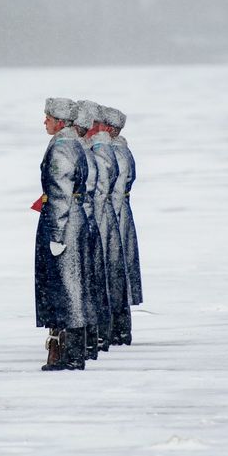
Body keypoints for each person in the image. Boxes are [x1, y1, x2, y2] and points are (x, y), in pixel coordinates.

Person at [34, 98, 95, 371]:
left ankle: (71, 355)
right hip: (76, 219)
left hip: (65, 223)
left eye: (48, 117)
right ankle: (73, 351)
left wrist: (57, 235)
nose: (44, 122)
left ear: (59, 122)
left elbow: (60, 194)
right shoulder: (74, 145)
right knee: (74, 286)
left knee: (66, 288)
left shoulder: (61, 148)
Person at [86, 105, 130, 349]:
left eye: (93, 124)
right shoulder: (106, 149)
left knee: (107, 273)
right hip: (108, 215)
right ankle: (115, 330)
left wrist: (93, 216)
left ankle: (111, 330)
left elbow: (108, 190)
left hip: (104, 216)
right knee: (110, 273)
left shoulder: (105, 151)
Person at [72, 100, 113, 357]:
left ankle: (94, 336)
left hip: (87, 218)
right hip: (87, 217)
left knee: (89, 279)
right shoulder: (83, 149)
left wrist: (89, 218)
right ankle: (94, 335)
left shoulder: (91, 151)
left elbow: (100, 189)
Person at [103, 105, 142, 345]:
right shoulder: (118, 150)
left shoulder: (116, 152)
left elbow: (115, 192)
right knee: (116, 271)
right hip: (117, 214)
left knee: (115, 271)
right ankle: (118, 329)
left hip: (115, 216)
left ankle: (118, 330)